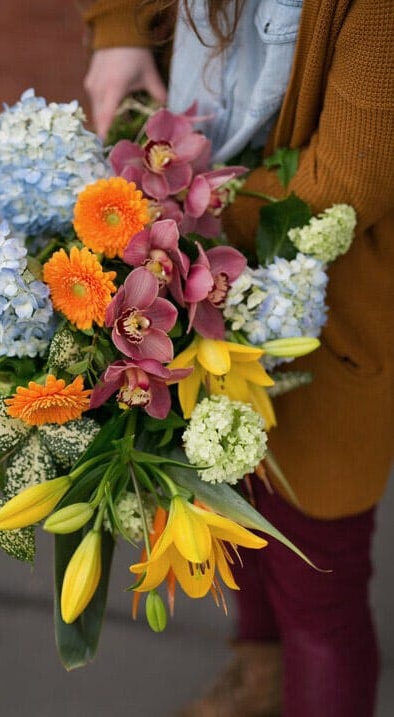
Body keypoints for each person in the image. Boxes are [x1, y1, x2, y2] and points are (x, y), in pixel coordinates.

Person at [81, 1, 394, 716]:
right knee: (232, 497)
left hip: (322, 311)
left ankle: (297, 676)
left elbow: (350, 180)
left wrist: (167, 230)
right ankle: (260, 675)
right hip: (187, 275)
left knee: (319, 578)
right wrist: (120, 31)